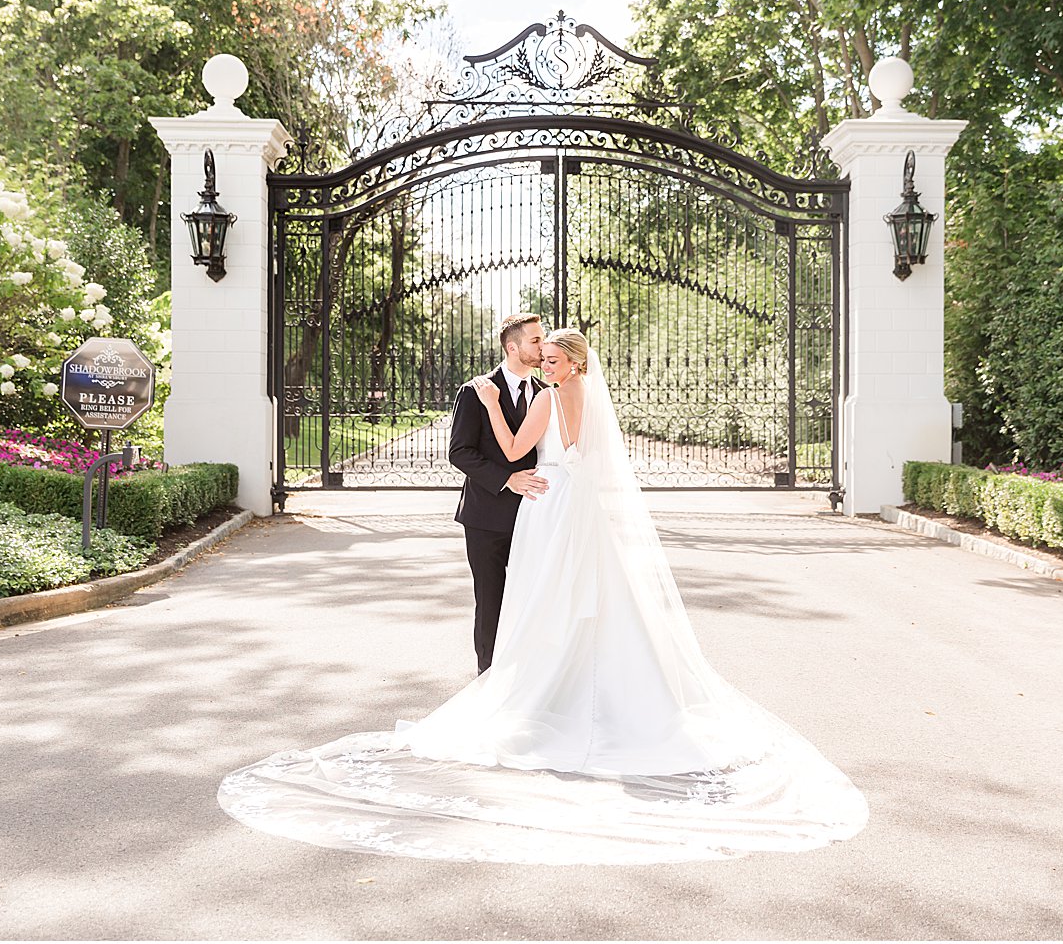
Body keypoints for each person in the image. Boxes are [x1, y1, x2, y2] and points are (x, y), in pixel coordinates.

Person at [219, 329, 869, 864]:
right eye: (541, 354)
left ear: (572, 361)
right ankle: (576, 686)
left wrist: (491, 399)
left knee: (541, 601)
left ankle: (533, 689)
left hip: (549, 505)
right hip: (577, 504)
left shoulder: (553, 393)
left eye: (552, 356)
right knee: (590, 601)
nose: (543, 362)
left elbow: (509, 446)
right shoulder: (584, 391)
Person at [446, 312, 549, 675]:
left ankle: (526, 679)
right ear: (512, 346)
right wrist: (508, 479)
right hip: (486, 518)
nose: (543, 344)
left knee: (531, 603)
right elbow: (460, 451)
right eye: (535, 340)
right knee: (490, 603)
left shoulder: (545, 394)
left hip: (535, 516)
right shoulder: (476, 391)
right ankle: (487, 682)